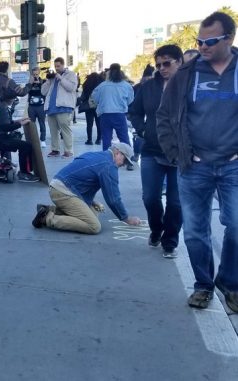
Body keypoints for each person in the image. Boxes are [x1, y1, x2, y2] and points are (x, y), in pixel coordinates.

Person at [157, 12, 238, 311]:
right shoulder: (186, 74)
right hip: (194, 166)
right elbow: (164, 117)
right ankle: (203, 285)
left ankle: (230, 282)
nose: (203, 46)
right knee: (194, 231)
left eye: (210, 41)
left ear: (229, 37)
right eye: (199, 41)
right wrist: (177, 154)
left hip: (233, 166)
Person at [130, 44, 183, 259]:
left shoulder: (189, 86)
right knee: (150, 197)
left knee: (176, 202)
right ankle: (156, 228)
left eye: (167, 63)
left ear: (179, 62)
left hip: (181, 154)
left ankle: (170, 241)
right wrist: (142, 130)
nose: (162, 68)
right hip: (152, 150)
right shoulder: (149, 87)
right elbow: (134, 111)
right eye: (158, 64)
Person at [33, 143, 141, 234]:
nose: (124, 165)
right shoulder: (109, 166)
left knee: (93, 213)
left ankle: (49, 210)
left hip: (59, 186)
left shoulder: (97, 155)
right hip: (63, 191)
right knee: (93, 226)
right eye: (124, 160)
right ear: (117, 152)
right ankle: (47, 219)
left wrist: (91, 201)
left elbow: (81, 177)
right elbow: (113, 198)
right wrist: (126, 218)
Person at [0, 87, 40, 182]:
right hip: (0, 139)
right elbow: (5, 127)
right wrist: (20, 124)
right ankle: (23, 173)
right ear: (10, 99)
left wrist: (18, 121)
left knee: (23, 144)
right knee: (26, 146)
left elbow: (3, 123)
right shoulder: (2, 108)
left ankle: (24, 172)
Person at [91, 63, 134, 159]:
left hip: (105, 114)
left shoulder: (102, 86)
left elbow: (95, 98)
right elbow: (130, 99)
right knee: (123, 138)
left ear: (108, 73)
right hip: (119, 114)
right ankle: (129, 159)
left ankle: (107, 158)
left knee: (106, 138)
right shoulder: (126, 85)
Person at [41, 57, 78, 158]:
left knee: (65, 129)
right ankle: (55, 149)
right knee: (53, 130)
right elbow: (43, 92)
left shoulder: (71, 74)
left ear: (63, 64)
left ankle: (68, 150)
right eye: (55, 66)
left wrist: (61, 78)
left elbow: (71, 88)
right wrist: (48, 80)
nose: (57, 68)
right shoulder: (52, 78)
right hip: (51, 107)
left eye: (58, 66)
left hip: (64, 107)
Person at [79, 72, 104, 145]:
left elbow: (83, 96)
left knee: (89, 124)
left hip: (89, 106)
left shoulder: (87, 84)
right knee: (99, 123)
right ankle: (98, 139)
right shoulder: (101, 84)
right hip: (98, 106)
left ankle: (89, 140)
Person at [27, 67, 47, 148]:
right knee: (32, 124)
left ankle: (42, 140)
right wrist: (30, 84)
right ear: (32, 74)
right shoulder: (30, 82)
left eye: (37, 74)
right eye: (34, 74)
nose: (35, 76)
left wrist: (39, 84)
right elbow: (28, 91)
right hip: (32, 106)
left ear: (39, 73)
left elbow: (44, 92)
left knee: (42, 123)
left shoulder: (43, 82)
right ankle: (32, 140)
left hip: (41, 106)